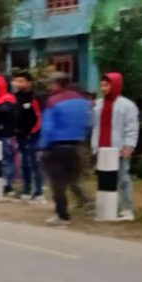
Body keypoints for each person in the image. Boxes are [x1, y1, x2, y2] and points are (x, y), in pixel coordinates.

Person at [40, 73, 93, 226]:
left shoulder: (53, 101)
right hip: (77, 144)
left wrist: (43, 146)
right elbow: (89, 123)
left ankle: (62, 215)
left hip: (56, 146)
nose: (49, 87)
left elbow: (48, 127)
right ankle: (87, 203)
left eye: (50, 84)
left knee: (57, 184)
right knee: (74, 178)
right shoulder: (82, 100)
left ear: (57, 84)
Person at [91, 72, 140, 220]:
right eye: (102, 85)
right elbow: (94, 126)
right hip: (102, 148)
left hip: (118, 148)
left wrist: (129, 146)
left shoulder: (127, 105)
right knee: (103, 178)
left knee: (123, 178)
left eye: (107, 85)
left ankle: (127, 209)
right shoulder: (98, 105)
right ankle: (105, 208)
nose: (104, 88)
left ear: (115, 85)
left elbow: (132, 127)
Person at [13, 71, 44, 201]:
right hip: (20, 135)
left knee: (35, 163)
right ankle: (26, 188)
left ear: (29, 82)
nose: (19, 84)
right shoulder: (16, 97)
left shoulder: (35, 97)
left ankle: (38, 191)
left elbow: (39, 117)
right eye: (17, 81)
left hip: (33, 136)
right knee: (24, 163)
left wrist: (33, 132)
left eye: (22, 81)